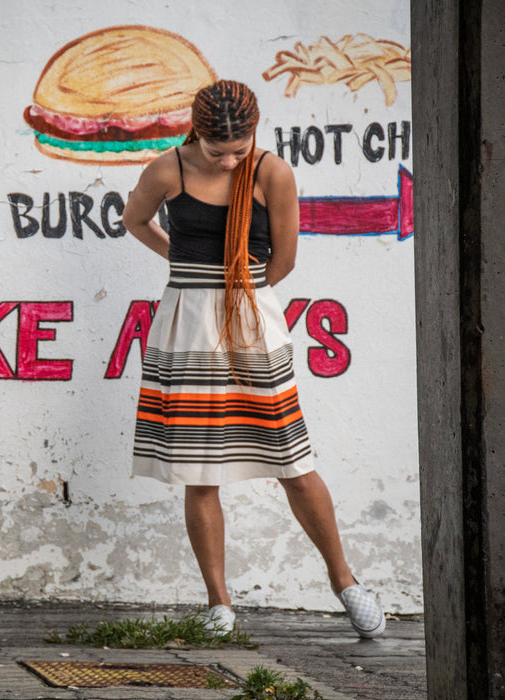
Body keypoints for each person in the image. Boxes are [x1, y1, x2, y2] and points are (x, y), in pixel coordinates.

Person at [122, 80, 385, 639]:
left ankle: (346, 583)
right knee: (200, 469)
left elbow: (283, 261)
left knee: (292, 461)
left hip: (252, 323)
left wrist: (235, 288)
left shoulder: (272, 172)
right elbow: (134, 220)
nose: (230, 159)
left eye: (239, 148)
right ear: (196, 133)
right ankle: (219, 603)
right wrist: (187, 267)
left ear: (254, 132)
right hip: (186, 324)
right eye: (219, 151)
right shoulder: (167, 169)